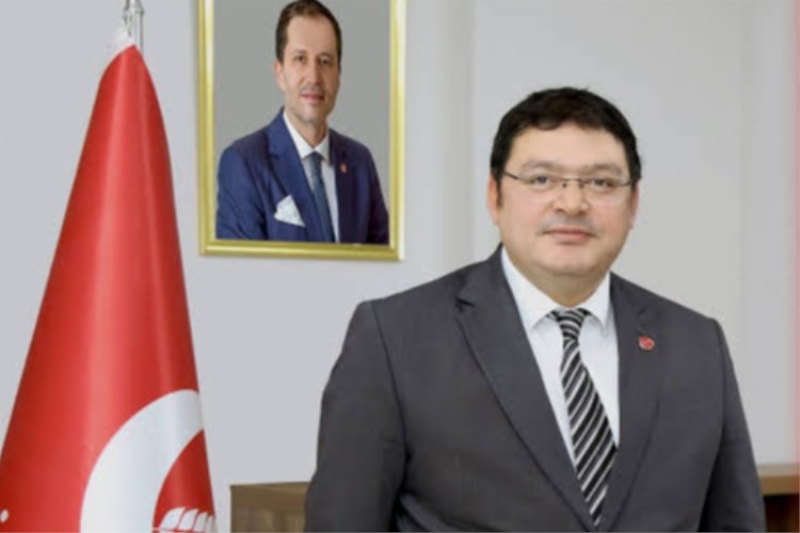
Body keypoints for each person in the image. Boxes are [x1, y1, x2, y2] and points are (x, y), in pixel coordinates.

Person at [305, 87, 765, 531]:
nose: (572, 202)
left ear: (633, 204)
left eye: (601, 182)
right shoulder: (394, 339)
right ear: (495, 196)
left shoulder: (697, 344)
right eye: (542, 179)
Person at [216, 0, 389, 244]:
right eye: (300, 59)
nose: (314, 77)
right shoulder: (244, 163)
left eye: (325, 61)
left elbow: (383, 261)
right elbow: (241, 267)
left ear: (339, 74)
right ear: (279, 72)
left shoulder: (360, 163)